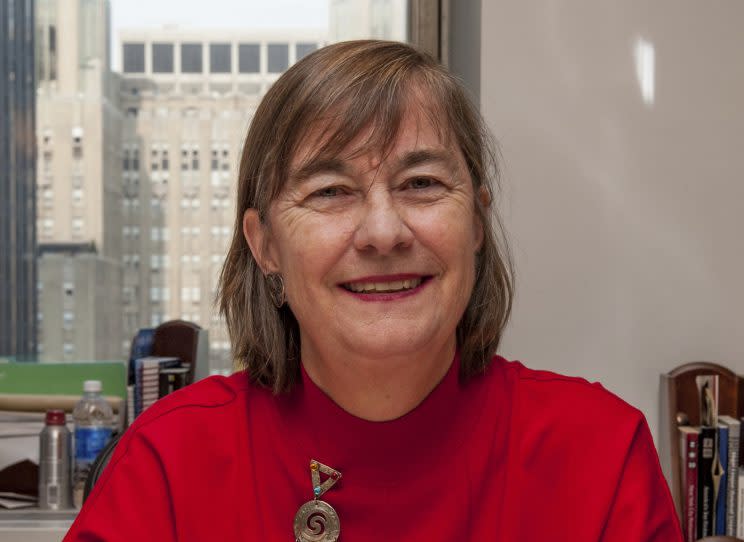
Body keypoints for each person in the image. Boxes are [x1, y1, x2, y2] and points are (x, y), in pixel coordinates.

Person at [64, 40, 683, 542]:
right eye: (330, 191)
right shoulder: (168, 464)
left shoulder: (599, 456)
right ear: (266, 244)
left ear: (476, 223)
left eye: (421, 183)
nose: (383, 232)